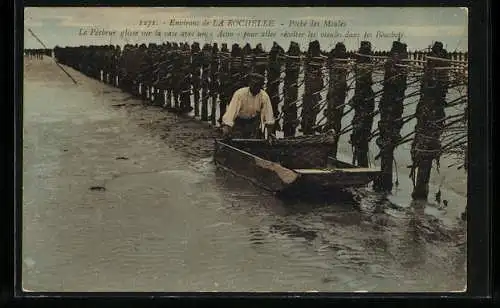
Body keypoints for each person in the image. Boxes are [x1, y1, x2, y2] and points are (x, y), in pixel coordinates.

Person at [221, 73, 276, 139]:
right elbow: (231, 113)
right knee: (237, 140)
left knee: (254, 143)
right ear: (249, 84)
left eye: (258, 85)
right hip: (239, 122)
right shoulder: (240, 94)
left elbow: (268, 116)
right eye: (254, 84)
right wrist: (227, 128)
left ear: (261, 86)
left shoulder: (264, 96)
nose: (256, 87)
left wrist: (270, 134)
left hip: (253, 123)